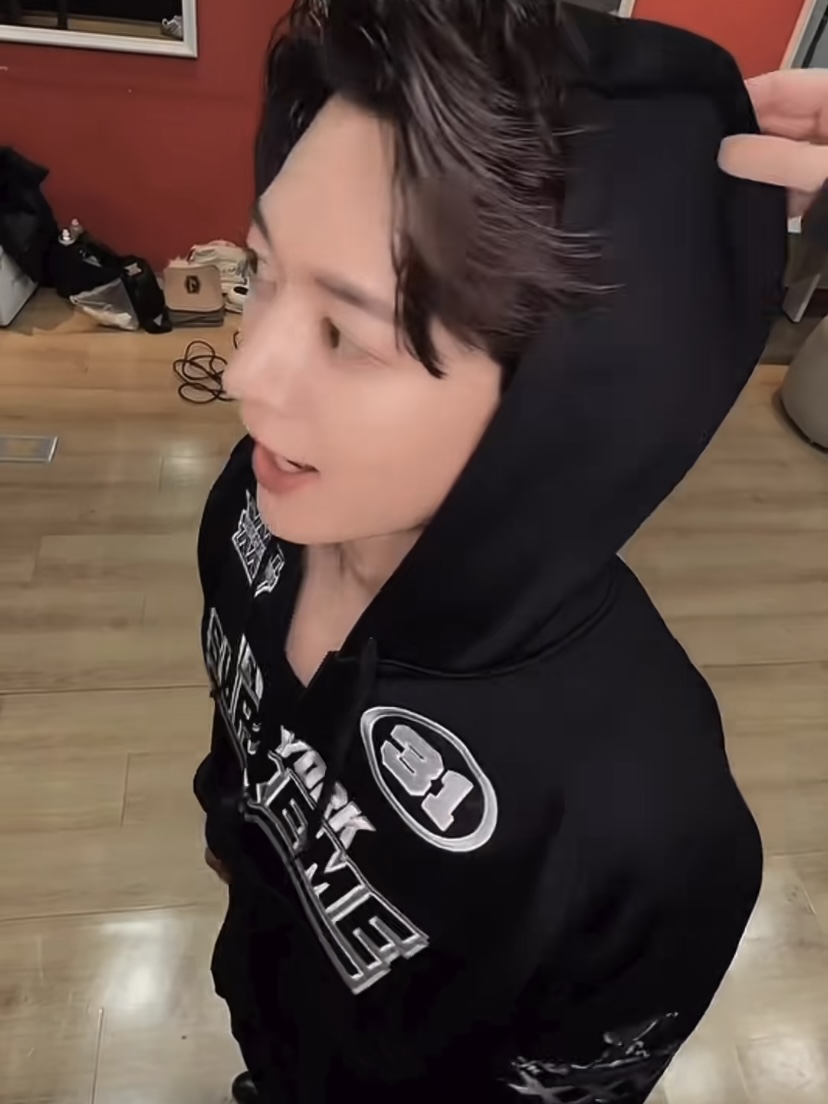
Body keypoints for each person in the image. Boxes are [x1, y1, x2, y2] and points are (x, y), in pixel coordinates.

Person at [193, 2, 788, 1102]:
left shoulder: (643, 833)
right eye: (261, 272)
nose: (243, 376)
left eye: (346, 334)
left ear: (568, 404)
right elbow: (240, 764)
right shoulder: (256, 506)